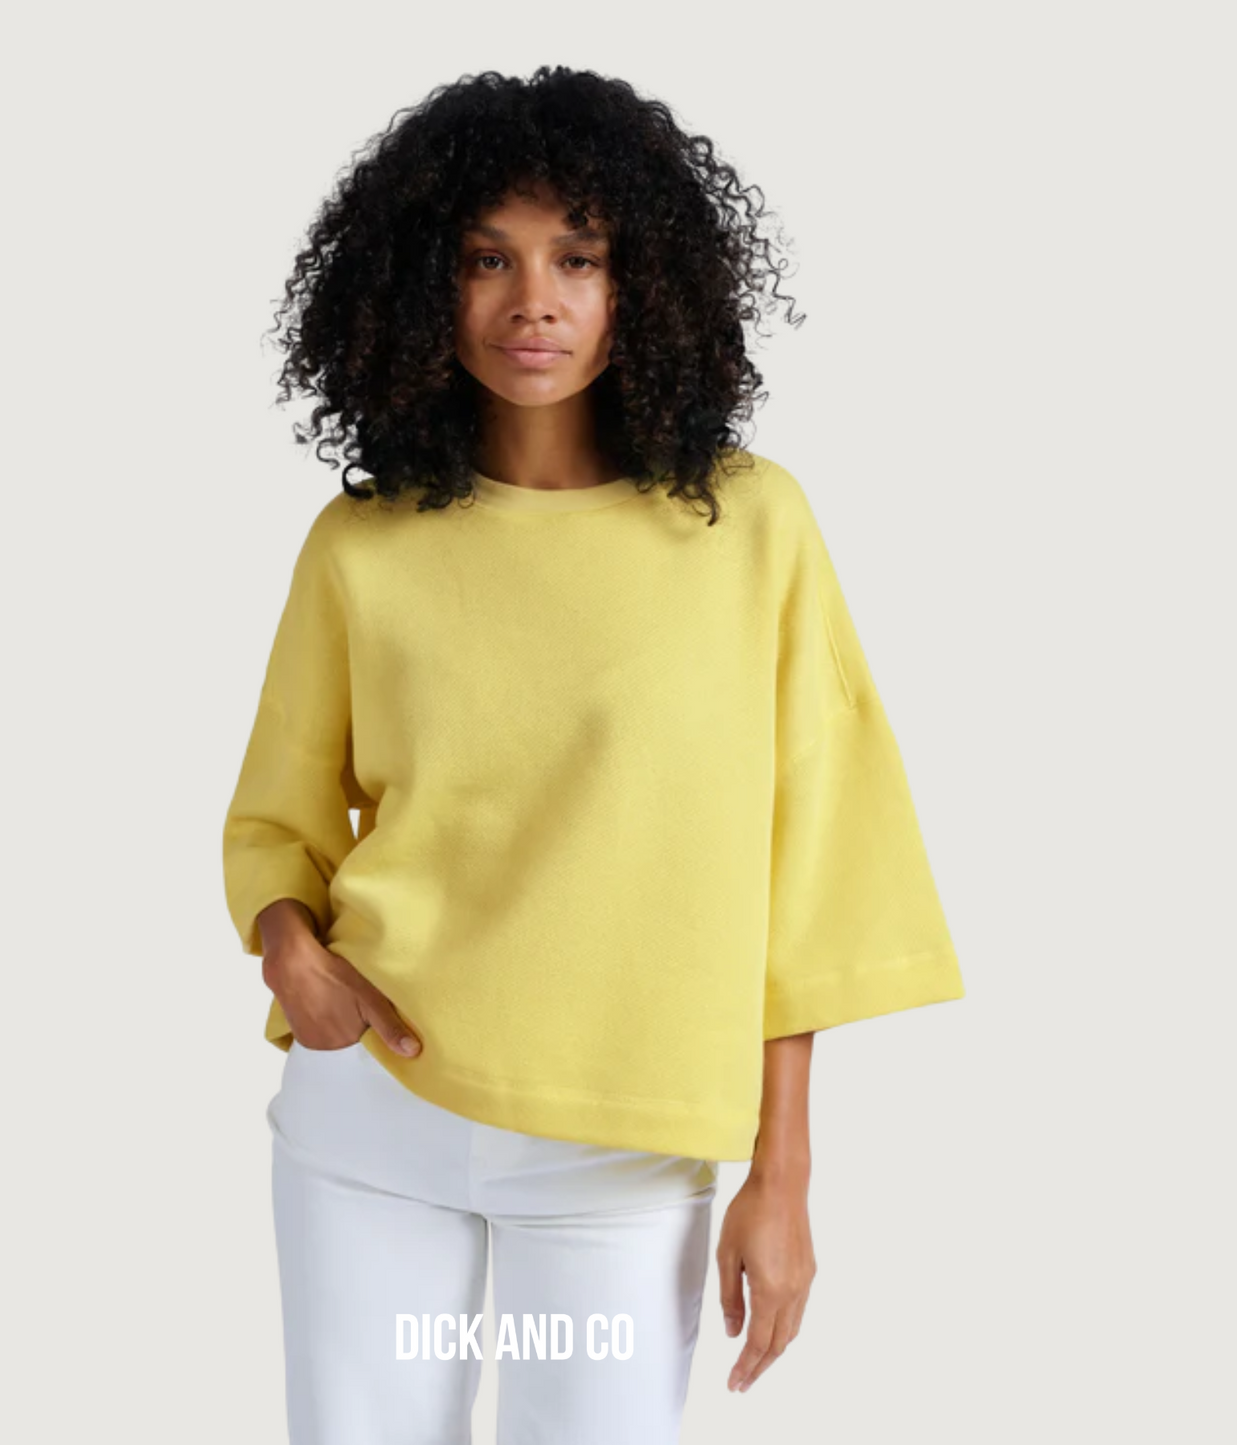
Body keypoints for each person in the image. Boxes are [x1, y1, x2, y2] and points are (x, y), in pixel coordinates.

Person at [222, 65, 965, 1445]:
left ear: (645, 283)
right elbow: (279, 816)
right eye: (485, 259)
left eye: (579, 257)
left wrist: (784, 1175)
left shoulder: (749, 527)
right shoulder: (361, 543)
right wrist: (288, 950)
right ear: (421, 286)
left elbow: (813, 864)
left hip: (623, 1145)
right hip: (369, 1123)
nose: (534, 302)